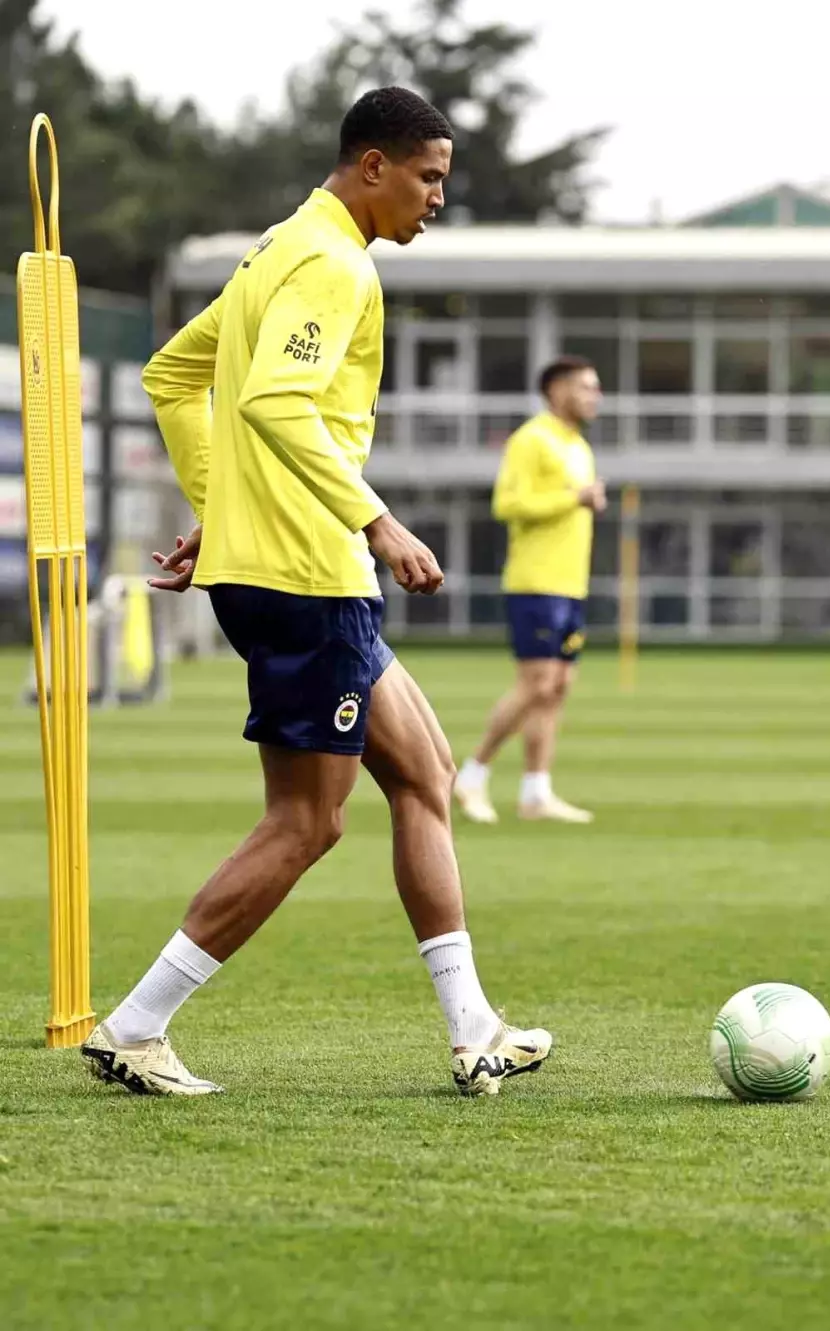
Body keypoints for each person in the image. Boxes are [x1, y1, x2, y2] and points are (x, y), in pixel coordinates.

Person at [80, 87, 550, 1099]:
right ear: (371, 167)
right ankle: (135, 1023)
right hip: (308, 577)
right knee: (308, 822)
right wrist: (377, 517)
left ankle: (475, 1029)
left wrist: (224, 507)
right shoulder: (334, 264)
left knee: (425, 773)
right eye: (428, 177)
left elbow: (173, 374)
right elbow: (275, 400)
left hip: (283, 565)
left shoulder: (277, 247)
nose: (436, 199)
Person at [453, 356, 604, 825]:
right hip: (535, 583)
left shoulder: (577, 444)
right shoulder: (532, 439)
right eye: (585, 387)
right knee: (536, 683)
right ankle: (471, 774)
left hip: (570, 585)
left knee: (557, 687)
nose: (594, 396)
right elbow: (508, 503)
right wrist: (574, 498)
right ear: (556, 390)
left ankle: (536, 792)